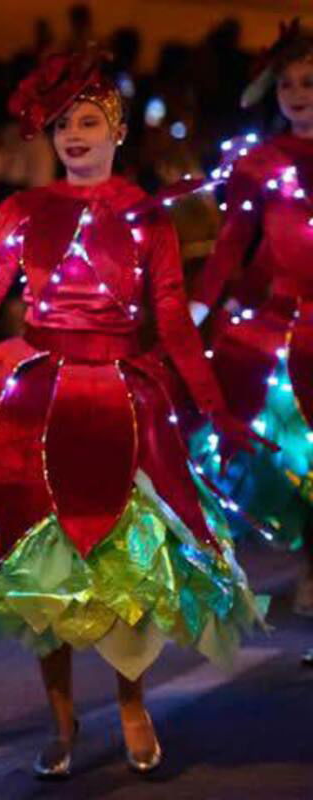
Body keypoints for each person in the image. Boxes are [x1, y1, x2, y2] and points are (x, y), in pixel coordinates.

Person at [0, 50, 266, 778]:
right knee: (42, 563)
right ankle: (61, 717)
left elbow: (172, 323)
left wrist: (214, 407)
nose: (74, 135)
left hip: (116, 399)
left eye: (88, 121)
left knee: (120, 566)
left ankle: (131, 699)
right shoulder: (22, 210)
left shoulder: (145, 218)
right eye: (62, 123)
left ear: (116, 130)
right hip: (36, 394)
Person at [187, 20, 313, 630]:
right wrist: (196, 308)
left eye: (309, 82)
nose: (296, 93)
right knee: (295, 462)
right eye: (286, 83)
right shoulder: (261, 163)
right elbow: (232, 245)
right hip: (284, 329)